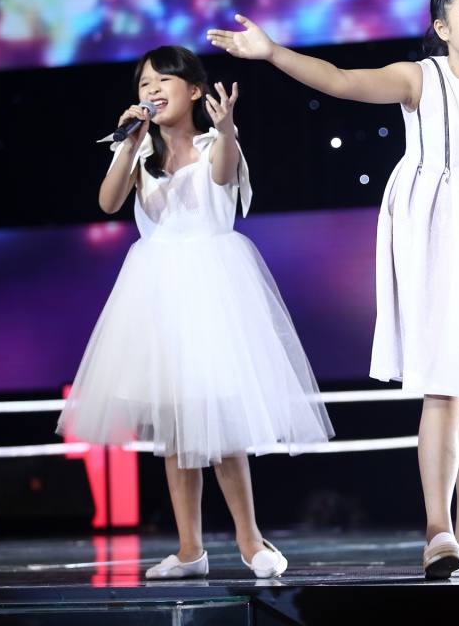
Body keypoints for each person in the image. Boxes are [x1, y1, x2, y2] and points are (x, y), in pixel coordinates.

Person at [207, 0, 459, 579]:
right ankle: (438, 532)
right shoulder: (419, 77)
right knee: (445, 385)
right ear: (442, 28)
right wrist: (270, 52)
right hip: (438, 228)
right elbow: (341, 80)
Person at [57, 46, 333, 580]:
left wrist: (225, 128)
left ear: (195, 91)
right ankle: (190, 551)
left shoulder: (215, 144)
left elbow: (224, 175)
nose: (152, 90)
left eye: (164, 80)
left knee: (220, 421)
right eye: (144, 83)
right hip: (157, 295)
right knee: (176, 431)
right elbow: (108, 203)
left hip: (214, 289)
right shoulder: (139, 151)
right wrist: (127, 143)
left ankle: (250, 541)